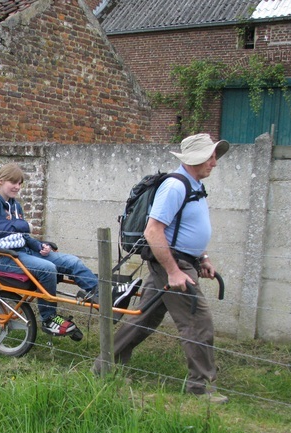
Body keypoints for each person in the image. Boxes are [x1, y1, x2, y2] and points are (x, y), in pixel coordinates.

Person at [94, 133, 229, 404]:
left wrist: (202, 257)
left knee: (142, 320)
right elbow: (154, 231)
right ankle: (199, 388)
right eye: (211, 156)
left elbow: (187, 229)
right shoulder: (175, 187)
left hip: (181, 263)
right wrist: (174, 271)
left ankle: (103, 367)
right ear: (196, 158)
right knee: (198, 324)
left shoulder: (194, 186)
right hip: (172, 265)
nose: (215, 162)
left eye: (215, 156)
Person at [0, 163, 98, 338]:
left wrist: (38, 246)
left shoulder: (14, 205)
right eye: (14, 182)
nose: (17, 187)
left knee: (72, 262)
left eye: (20, 183)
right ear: (2, 181)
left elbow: (23, 235)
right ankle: (49, 319)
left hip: (22, 252)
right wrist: (22, 224)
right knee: (47, 269)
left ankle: (101, 296)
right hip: (2, 258)